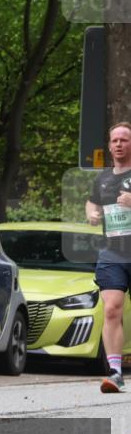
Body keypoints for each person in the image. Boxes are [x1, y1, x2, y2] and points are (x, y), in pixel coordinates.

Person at [86, 121, 131, 393]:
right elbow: (92, 201)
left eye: (124, 140)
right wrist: (91, 213)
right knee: (112, 308)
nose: (118, 144)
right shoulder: (102, 179)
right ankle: (115, 372)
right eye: (114, 140)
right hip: (113, 252)